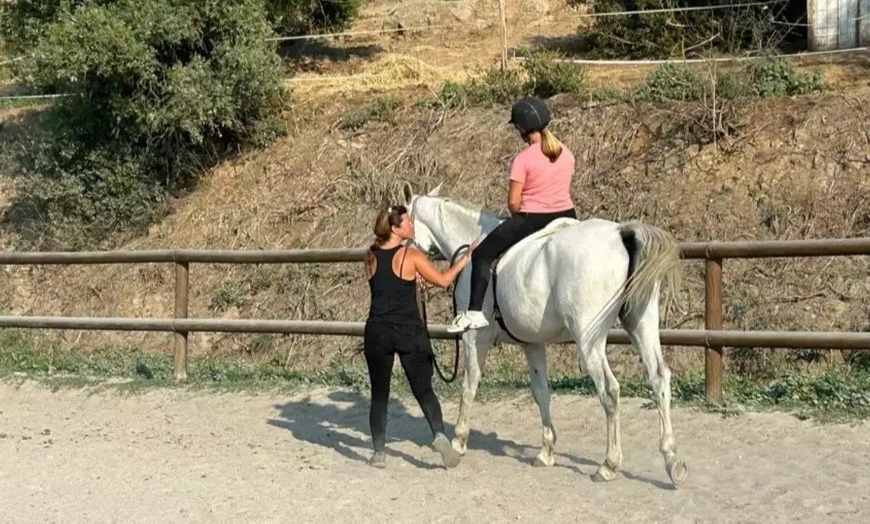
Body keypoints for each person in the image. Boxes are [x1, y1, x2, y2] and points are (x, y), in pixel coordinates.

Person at [448, 96, 578, 333]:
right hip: (569, 215)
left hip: (533, 219)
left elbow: (514, 203)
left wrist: (521, 212)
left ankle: (474, 312)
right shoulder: (566, 153)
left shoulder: (523, 159)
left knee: (482, 253)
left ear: (521, 129)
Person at [363, 203, 479, 469]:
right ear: (395, 228)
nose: (411, 225)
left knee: (379, 393)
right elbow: (443, 280)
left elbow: (383, 285)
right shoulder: (411, 255)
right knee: (423, 389)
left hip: (378, 330)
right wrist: (465, 258)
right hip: (408, 330)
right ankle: (439, 435)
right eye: (407, 222)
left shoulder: (369, 256)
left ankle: (379, 452)